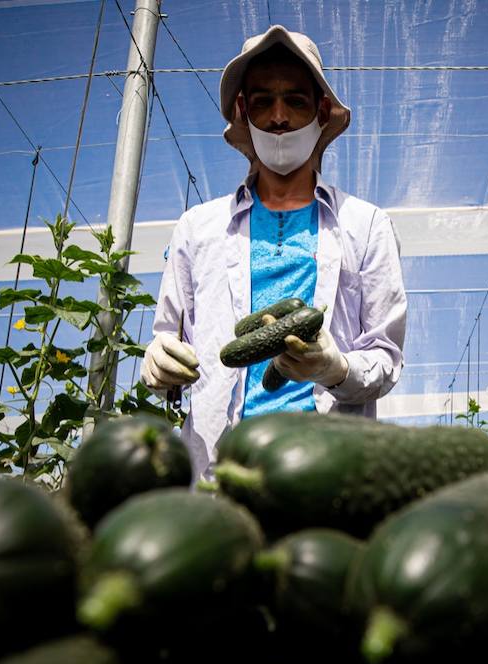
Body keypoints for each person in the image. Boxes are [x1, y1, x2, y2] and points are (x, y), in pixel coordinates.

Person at [142, 25, 407, 479]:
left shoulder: (366, 225)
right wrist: (160, 362)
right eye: (263, 101)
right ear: (243, 111)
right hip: (219, 472)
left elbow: (385, 357)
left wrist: (336, 368)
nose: (279, 117)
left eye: (296, 101)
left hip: (327, 471)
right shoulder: (196, 228)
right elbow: (170, 339)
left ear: (322, 110)